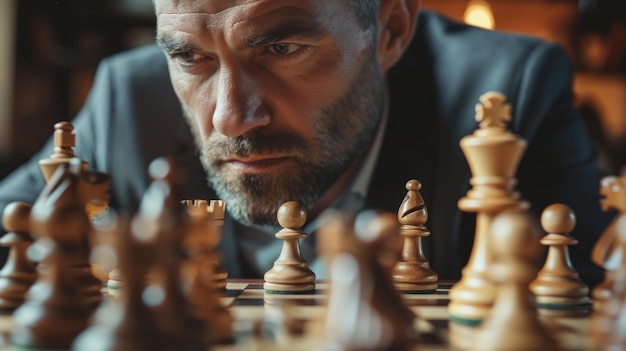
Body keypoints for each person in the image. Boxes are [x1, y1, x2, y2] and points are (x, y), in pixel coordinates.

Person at [0, 0, 615, 286]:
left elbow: (593, 286)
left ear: (391, 30)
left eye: (283, 50)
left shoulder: (507, 93)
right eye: (191, 58)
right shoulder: (126, 98)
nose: (232, 118)